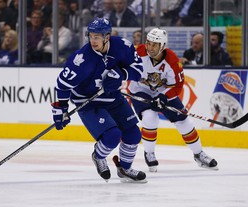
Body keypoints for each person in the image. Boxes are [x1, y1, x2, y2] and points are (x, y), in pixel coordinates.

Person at [52, 17, 146, 183]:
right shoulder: (81, 59)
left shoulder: (122, 46)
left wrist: (122, 74)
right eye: (91, 36)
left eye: (97, 37)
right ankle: (98, 156)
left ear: (107, 37)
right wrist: (61, 108)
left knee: (133, 134)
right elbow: (62, 84)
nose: (93, 40)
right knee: (113, 136)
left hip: (113, 97)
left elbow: (138, 70)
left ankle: (125, 168)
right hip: (88, 102)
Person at [128, 28, 218, 172]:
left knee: (184, 121)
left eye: (154, 45)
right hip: (140, 90)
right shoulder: (137, 53)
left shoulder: (173, 61)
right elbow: (121, 66)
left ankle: (199, 154)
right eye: (148, 43)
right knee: (150, 117)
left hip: (164, 92)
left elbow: (177, 85)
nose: (150, 48)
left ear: (162, 46)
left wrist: (163, 97)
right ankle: (149, 153)